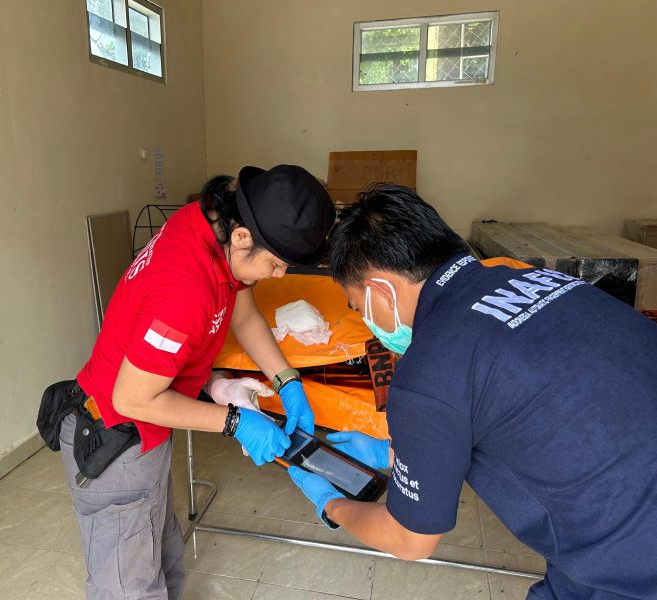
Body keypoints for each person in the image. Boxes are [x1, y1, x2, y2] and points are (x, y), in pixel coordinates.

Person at [288, 184, 657, 599]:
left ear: (381, 291)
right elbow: (540, 406)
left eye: (356, 306)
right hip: (618, 514)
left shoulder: (429, 368)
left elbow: (409, 540)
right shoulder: (544, 281)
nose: (361, 317)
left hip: (628, 563)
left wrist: (330, 504)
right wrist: (390, 453)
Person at [60, 164, 335, 600]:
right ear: (244, 237)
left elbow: (242, 313)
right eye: (276, 264)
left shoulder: (209, 224)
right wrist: (235, 422)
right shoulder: (184, 289)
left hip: (144, 436)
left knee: (162, 556)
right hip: (115, 437)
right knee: (128, 587)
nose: (279, 276)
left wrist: (287, 381)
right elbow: (132, 398)